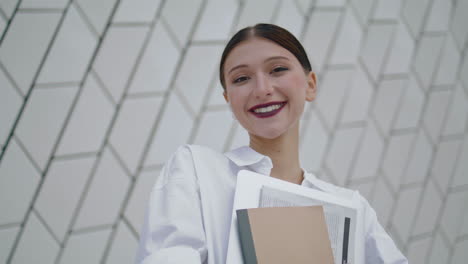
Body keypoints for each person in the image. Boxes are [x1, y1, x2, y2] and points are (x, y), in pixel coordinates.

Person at [136, 23, 407, 264]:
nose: (262, 89)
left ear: (310, 84)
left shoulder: (351, 208)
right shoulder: (197, 171)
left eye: (277, 69)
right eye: (241, 78)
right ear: (229, 98)